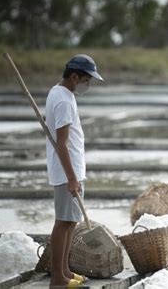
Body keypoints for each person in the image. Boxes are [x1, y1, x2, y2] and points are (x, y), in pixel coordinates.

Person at [46, 54, 104, 288]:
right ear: (74, 76)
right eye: (86, 79)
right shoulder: (63, 101)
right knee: (63, 222)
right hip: (66, 172)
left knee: (70, 222)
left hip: (72, 170)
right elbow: (62, 142)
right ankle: (57, 278)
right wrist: (71, 177)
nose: (87, 84)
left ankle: (65, 271)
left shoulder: (60, 93)